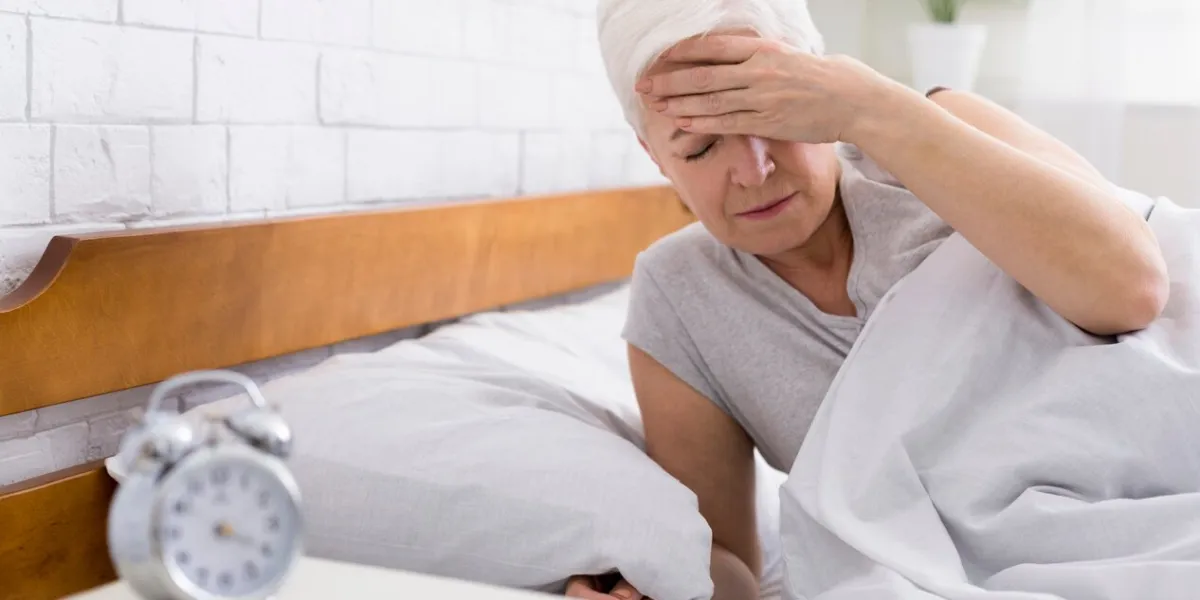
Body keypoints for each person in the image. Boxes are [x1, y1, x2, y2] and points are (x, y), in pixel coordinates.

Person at [566, 1, 1170, 599]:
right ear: (655, 158)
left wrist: (868, 106)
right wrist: (650, 577)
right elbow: (730, 569)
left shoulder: (935, 131)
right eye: (699, 148)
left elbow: (1133, 288)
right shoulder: (680, 296)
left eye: (774, 116)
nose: (753, 171)